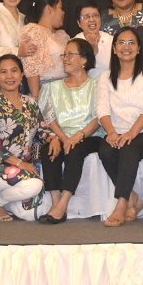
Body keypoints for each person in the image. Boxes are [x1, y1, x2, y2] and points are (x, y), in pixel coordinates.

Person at [0, 54, 61, 221]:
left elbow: (42, 129)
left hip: (24, 167)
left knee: (31, 215)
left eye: (14, 71)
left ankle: (3, 203)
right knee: (35, 185)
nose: (9, 76)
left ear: (22, 75)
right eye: (4, 72)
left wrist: (53, 138)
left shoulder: (30, 102)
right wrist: (19, 163)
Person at [97, 27, 143, 227]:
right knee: (105, 150)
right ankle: (133, 195)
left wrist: (131, 133)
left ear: (138, 48)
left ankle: (121, 204)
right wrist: (111, 133)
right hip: (117, 131)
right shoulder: (105, 77)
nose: (126, 47)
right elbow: (102, 109)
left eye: (131, 43)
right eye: (121, 42)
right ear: (114, 49)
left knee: (129, 148)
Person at [37, 38, 103, 223]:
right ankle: (55, 202)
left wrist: (77, 136)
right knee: (48, 150)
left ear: (84, 60)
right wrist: (59, 138)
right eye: (64, 55)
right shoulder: (52, 87)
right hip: (62, 134)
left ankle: (64, 203)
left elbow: (99, 119)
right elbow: (48, 118)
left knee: (74, 149)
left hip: (89, 135)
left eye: (70, 54)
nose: (65, 58)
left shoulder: (96, 86)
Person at [19, 0, 70, 98]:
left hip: (66, 90)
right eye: (60, 8)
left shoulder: (62, 35)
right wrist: (36, 98)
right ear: (49, 9)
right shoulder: (34, 31)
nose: (63, 12)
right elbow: (32, 69)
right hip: (47, 92)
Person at [74, 2, 112, 78]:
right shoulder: (74, 43)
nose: (91, 19)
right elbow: (74, 72)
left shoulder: (111, 40)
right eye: (86, 17)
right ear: (79, 23)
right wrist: (92, 51)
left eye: (95, 15)